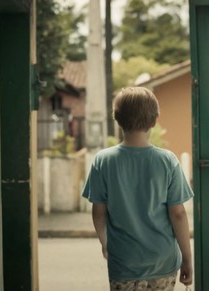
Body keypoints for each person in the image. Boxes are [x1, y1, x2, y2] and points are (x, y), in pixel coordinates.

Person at [82, 87, 194, 290]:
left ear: (117, 119)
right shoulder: (167, 161)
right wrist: (187, 259)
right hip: (163, 261)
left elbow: (99, 213)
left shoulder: (103, 161)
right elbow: (178, 213)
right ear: (154, 120)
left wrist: (106, 243)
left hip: (123, 262)